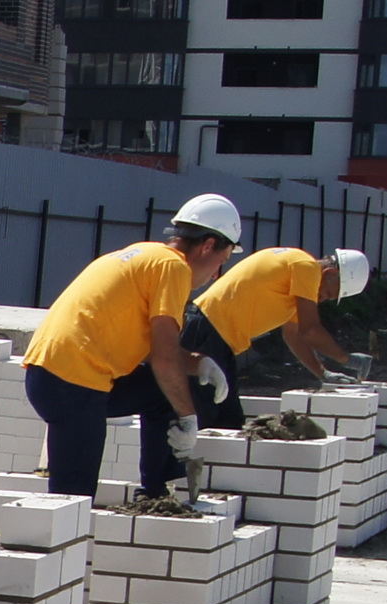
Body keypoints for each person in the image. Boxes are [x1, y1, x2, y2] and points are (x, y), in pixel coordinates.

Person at [20, 195, 242, 500]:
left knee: (160, 394)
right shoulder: (173, 268)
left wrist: (198, 363)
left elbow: (154, 348)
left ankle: (156, 493)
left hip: (57, 375)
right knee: (72, 499)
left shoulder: (147, 255)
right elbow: (164, 359)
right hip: (72, 381)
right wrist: (189, 417)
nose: (217, 273)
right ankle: (53, 544)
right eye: (223, 260)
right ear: (207, 246)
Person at [189, 243, 373, 427]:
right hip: (206, 331)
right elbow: (311, 330)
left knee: (228, 419)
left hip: (219, 340)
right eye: (327, 294)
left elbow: (293, 335)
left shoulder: (297, 284)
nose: (322, 299)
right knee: (204, 415)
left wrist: (323, 372)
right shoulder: (305, 267)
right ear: (330, 274)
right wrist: (346, 359)